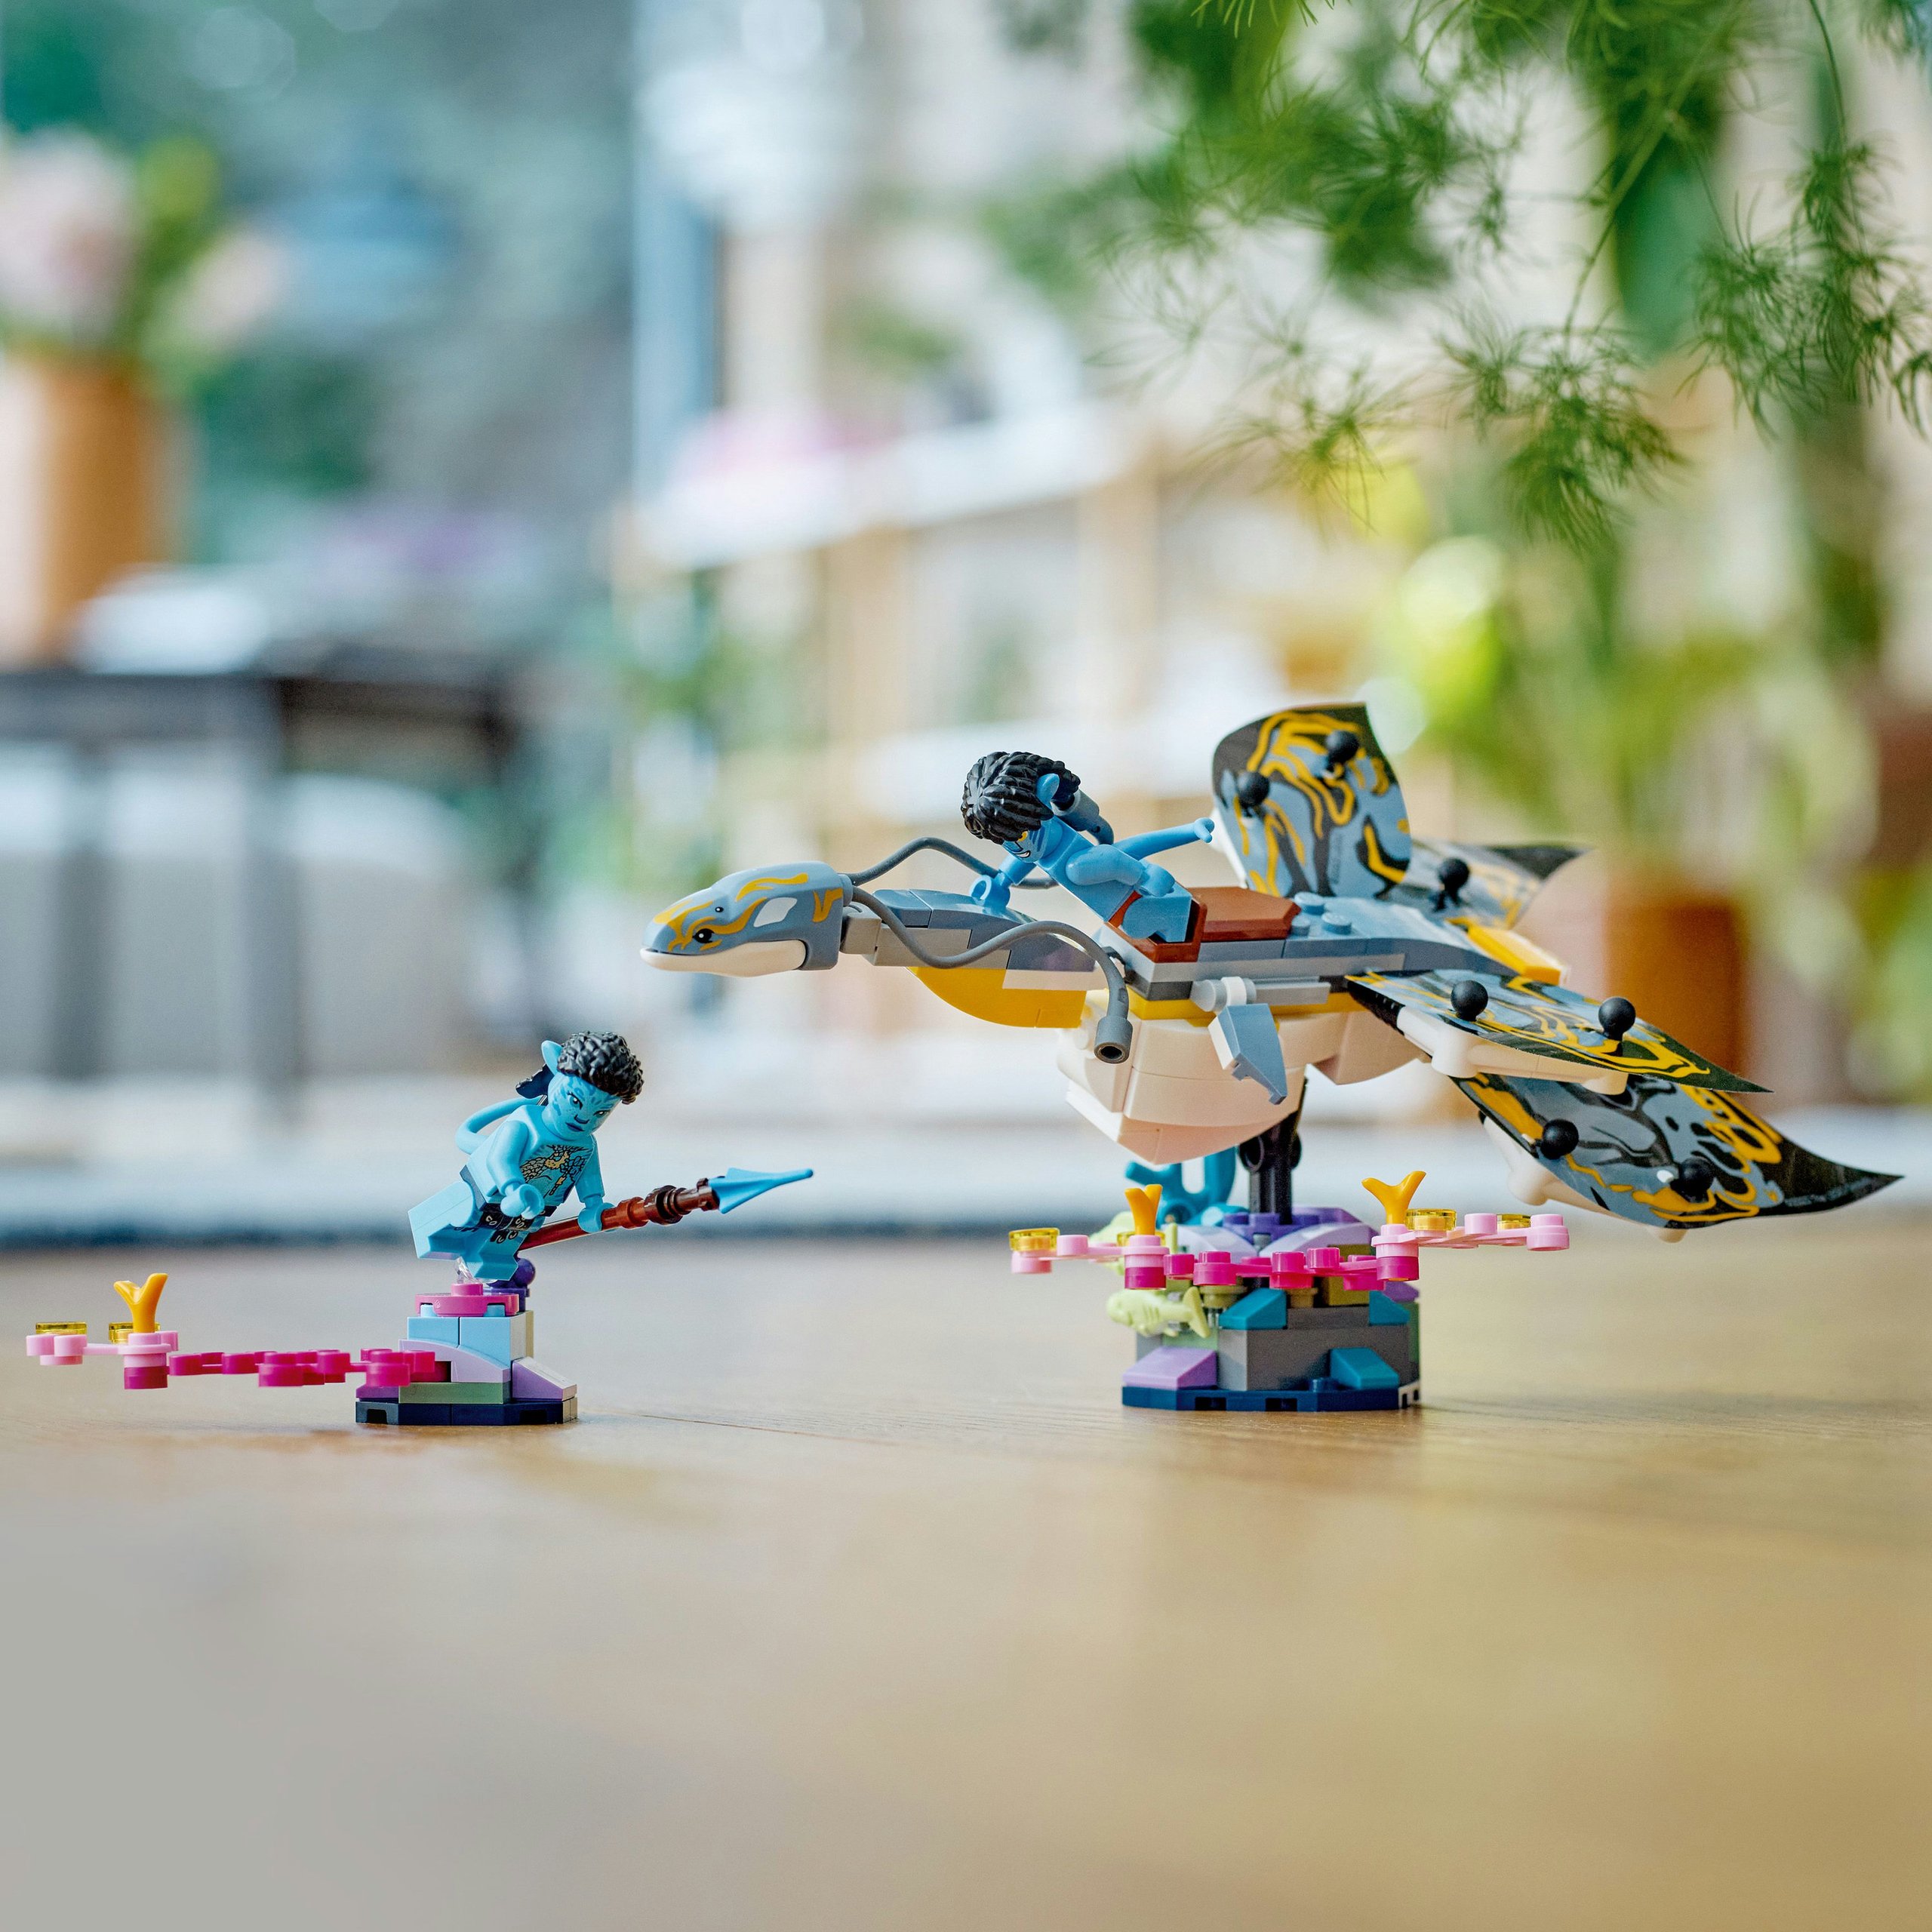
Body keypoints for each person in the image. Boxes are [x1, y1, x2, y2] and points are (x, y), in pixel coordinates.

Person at [408, 1031, 645, 1282]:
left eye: (600, 1113)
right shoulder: (525, 1122)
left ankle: (483, 1281)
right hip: (492, 1194)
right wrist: (513, 1188)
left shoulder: (587, 1145)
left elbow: (588, 1177)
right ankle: (439, 1235)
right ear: (556, 1073)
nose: (583, 1118)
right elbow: (500, 1159)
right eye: (575, 1101)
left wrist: (594, 1205)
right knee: (448, 1223)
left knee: (496, 1255)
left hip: (532, 1210)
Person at [959, 751, 1215, 944]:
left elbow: (1118, 857)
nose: (1018, 847)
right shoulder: (1043, 844)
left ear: (1045, 797)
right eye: (1005, 840)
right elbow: (1126, 850)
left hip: (1141, 916)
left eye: (1023, 834)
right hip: (1125, 921)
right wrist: (1002, 882)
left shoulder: (1077, 866)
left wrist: (1144, 876)